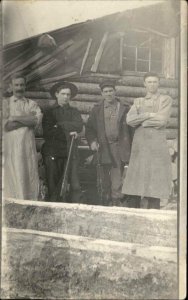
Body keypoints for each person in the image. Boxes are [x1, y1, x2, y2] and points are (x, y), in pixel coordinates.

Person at [122, 72, 172, 209]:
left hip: (156, 145)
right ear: (144, 84)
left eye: (155, 82)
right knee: (136, 180)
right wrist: (148, 115)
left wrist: (142, 122)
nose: (152, 84)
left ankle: (153, 215)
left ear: (159, 83)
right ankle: (133, 216)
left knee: (154, 182)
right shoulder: (138, 101)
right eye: (149, 82)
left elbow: (162, 120)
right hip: (140, 145)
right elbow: (130, 120)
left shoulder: (165, 99)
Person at [85, 80, 132, 206]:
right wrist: (93, 142)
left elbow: (131, 129)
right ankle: (105, 200)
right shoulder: (97, 109)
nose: (109, 94)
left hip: (120, 146)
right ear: (102, 93)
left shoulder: (125, 108)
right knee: (104, 175)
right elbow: (90, 129)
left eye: (111, 91)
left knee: (117, 174)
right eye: (105, 91)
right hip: (104, 147)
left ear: (115, 91)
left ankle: (117, 200)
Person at [42, 81, 83, 201]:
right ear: (56, 94)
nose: (66, 97)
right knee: (53, 184)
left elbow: (79, 126)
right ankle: (53, 210)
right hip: (53, 152)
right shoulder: (49, 112)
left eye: (68, 94)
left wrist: (59, 125)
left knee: (74, 184)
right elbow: (48, 132)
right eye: (63, 94)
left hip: (70, 152)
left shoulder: (74, 112)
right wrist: (69, 131)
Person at [3, 73, 42, 200]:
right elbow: (7, 126)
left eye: (22, 85)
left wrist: (14, 118)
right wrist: (26, 119)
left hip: (27, 146)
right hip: (12, 147)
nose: (19, 88)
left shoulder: (32, 104)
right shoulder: (6, 104)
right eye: (16, 85)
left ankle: (28, 202)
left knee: (28, 172)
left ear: (25, 86)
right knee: (13, 173)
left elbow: (35, 121)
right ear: (11, 86)